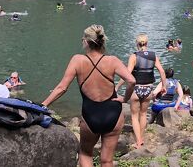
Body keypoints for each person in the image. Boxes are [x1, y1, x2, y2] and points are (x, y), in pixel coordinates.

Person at [42, 25, 136, 167]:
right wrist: (125, 99)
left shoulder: (77, 60)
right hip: (114, 113)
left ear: (86, 42)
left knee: (85, 153)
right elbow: (132, 80)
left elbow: (62, 88)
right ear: (102, 41)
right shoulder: (112, 60)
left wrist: (43, 105)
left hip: (91, 114)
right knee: (107, 160)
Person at [116, 34, 167, 148]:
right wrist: (164, 86)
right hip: (148, 89)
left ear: (136, 44)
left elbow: (127, 74)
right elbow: (162, 72)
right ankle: (141, 139)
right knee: (143, 114)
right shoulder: (153, 56)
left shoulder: (134, 56)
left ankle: (138, 142)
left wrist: (117, 87)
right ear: (147, 43)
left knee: (134, 116)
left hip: (136, 89)